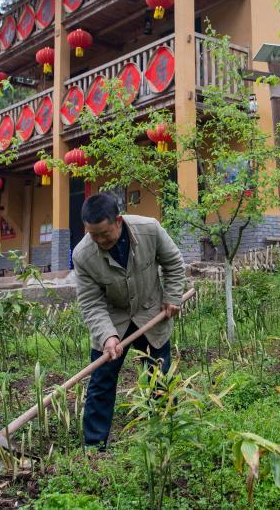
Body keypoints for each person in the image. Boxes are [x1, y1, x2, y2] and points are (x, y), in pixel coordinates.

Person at [73, 192, 186, 450]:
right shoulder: (83, 255)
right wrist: (107, 336)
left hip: (150, 313)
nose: (100, 240)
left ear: (118, 221)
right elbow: (91, 302)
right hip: (112, 319)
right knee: (101, 381)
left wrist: (171, 297)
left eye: (104, 233)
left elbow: (174, 263)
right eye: (93, 235)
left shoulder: (150, 230)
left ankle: (166, 436)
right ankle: (94, 445)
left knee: (160, 376)